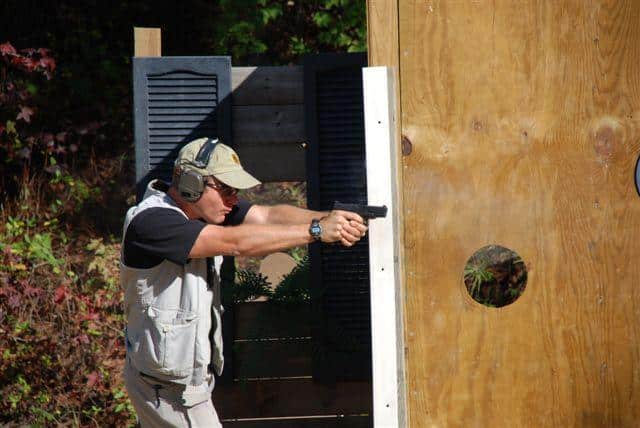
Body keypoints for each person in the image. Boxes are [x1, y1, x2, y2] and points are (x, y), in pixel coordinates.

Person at [120, 137, 367, 427]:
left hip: (173, 381)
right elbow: (235, 242)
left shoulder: (206, 208)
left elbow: (267, 215)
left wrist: (329, 218)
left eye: (234, 190)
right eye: (225, 189)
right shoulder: (152, 223)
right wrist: (315, 230)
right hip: (168, 390)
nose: (233, 199)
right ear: (190, 182)